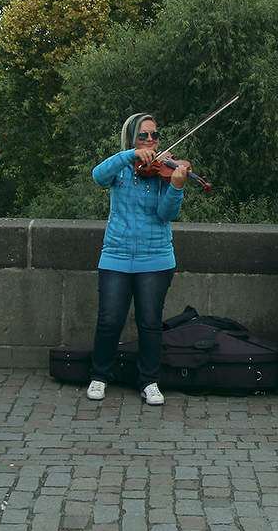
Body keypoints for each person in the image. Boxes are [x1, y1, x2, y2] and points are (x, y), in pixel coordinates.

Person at [86, 113, 187, 406]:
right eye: (143, 135)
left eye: (154, 135)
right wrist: (129, 155)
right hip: (116, 254)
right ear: (131, 138)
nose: (151, 140)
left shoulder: (164, 170)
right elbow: (98, 175)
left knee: (150, 322)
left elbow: (166, 214)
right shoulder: (120, 167)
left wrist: (176, 187)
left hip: (156, 257)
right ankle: (99, 376)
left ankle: (149, 381)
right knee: (109, 320)